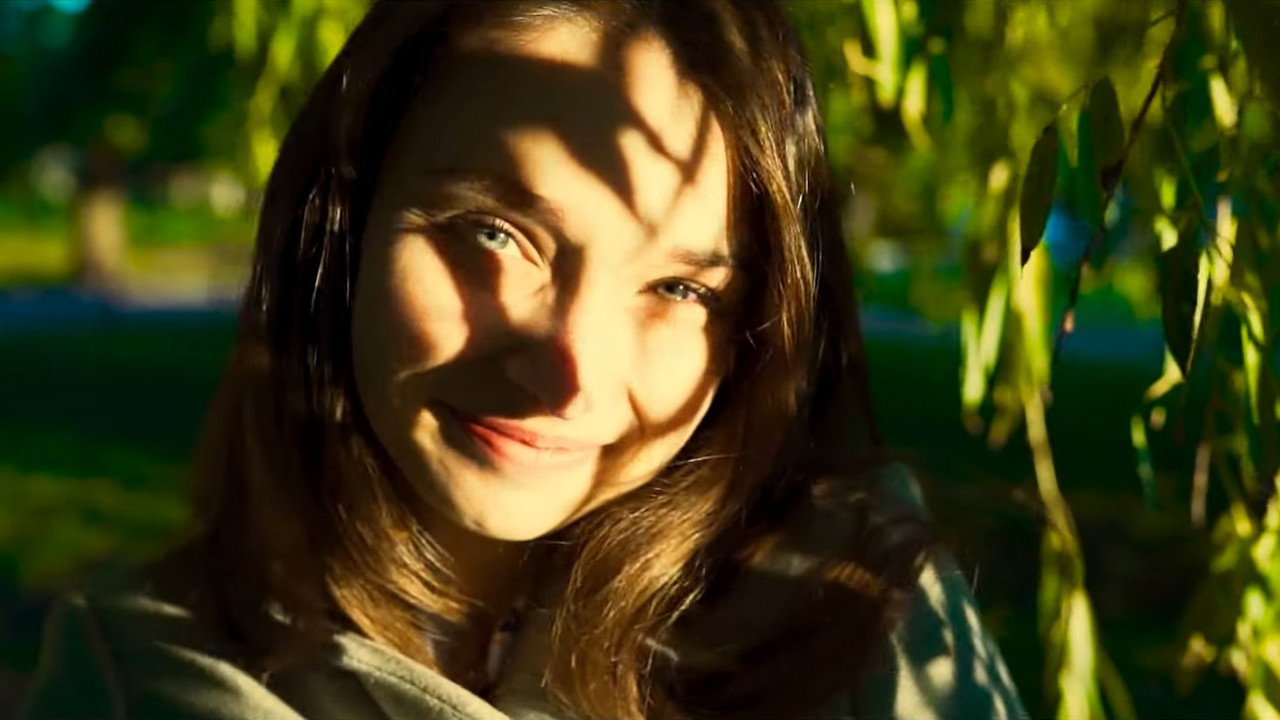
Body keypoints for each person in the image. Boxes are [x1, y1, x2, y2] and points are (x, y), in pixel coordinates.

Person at [21, 1, 1026, 718]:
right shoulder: (135, 672)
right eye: (494, 234)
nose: (568, 374)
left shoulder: (856, 612)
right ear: (341, 224)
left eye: (681, 289)